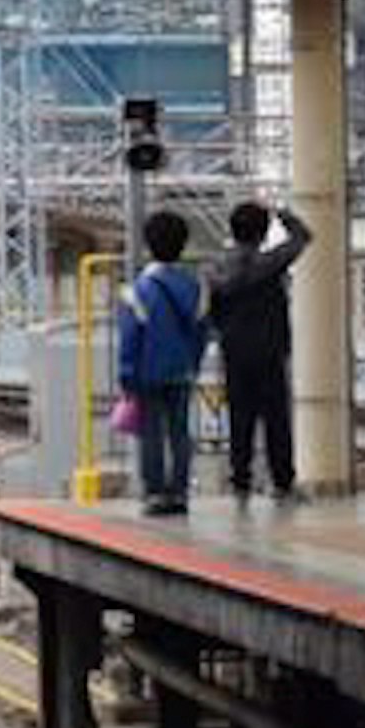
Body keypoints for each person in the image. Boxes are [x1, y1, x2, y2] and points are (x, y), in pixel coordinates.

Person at [206, 200, 314, 502]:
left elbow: (212, 310)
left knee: (240, 416)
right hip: (269, 349)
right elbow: (303, 237)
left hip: (233, 350)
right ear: (264, 232)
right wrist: (282, 212)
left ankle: (240, 478)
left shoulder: (215, 268)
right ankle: (282, 481)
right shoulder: (270, 263)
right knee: (276, 418)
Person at [113, 208, 209, 516]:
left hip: (147, 374)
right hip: (182, 371)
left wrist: (127, 375)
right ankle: (179, 492)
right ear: (183, 244)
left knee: (151, 434)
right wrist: (191, 364)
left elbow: (131, 338)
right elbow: (200, 333)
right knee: (180, 432)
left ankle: (155, 492)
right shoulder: (193, 288)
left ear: (147, 244)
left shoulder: (139, 290)